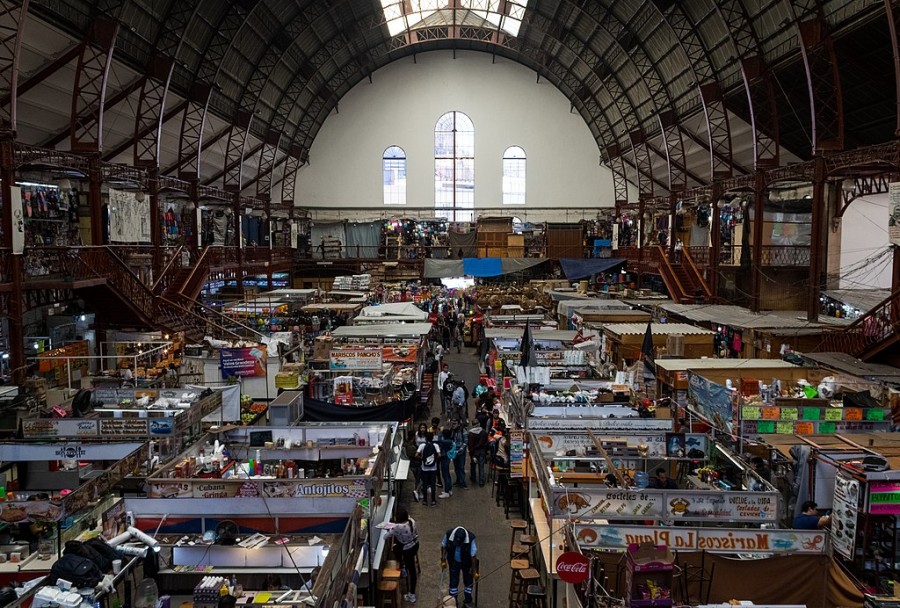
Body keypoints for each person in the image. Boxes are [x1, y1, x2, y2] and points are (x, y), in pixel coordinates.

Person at [384, 507, 419, 603]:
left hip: (407, 550)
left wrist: (389, 527)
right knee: (396, 547)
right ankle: (403, 567)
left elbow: (385, 536)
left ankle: (411, 594)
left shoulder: (397, 527)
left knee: (412, 571)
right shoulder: (411, 521)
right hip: (415, 545)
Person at [441, 526, 478, 608]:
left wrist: (474, 571)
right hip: (454, 562)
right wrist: (443, 560)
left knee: (468, 582)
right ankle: (453, 602)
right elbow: (443, 546)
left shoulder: (471, 539)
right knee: (453, 583)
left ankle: (468, 600)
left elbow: (473, 556)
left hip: (466, 563)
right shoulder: (449, 534)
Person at [416, 431, 441, 506]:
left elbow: (416, 454)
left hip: (424, 468)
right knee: (433, 484)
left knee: (425, 484)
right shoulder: (435, 445)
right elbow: (439, 455)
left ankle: (425, 500)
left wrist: (422, 459)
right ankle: (433, 500)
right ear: (432, 438)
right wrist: (435, 460)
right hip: (433, 468)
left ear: (425, 438)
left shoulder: (422, 445)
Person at [467, 419, 488, 487]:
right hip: (481, 451)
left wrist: (471, 453)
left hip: (474, 452)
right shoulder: (484, 432)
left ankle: (473, 477)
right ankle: (481, 481)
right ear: (479, 424)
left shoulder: (470, 433)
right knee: (481, 466)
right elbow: (486, 442)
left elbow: (470, 444)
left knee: (473, 465)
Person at [450, 419, 468, 489]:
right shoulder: (452, 431)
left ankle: (462, 482)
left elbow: (465, 442)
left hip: (461, 452)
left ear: (458, 424)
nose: (453, 425)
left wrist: (461, 449)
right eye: (452, 424)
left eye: (454, 424)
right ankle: (458, 480)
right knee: (456, 467)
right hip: (454, 451)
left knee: (461, 467)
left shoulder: (463, 431)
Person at [438, 429, 454, 499]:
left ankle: (447, 491)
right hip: (447, 457)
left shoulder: (446, 441)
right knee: (447, 474)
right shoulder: (450, 440)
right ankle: (449, 489)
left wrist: (440, 432)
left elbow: (439, 440)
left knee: (445, 475)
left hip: (445, 457)